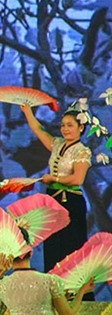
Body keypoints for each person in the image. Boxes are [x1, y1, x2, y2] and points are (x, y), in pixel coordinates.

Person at [20, 104, 92, 273]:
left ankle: (73, 293)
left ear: (81, 127)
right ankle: (53, 291)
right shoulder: (58, 144)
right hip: (53, 200)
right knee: (52, 245)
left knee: (70, 246)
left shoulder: (82, 151)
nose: (65, 129)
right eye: (63, 125)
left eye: (70, 125)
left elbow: (78, 178)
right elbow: (38, 130)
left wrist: (54, 178)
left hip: (70, 202)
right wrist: (28, 112)